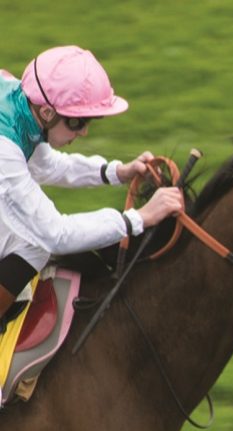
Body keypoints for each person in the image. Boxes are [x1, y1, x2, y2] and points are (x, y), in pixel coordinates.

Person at [1, 46, 184, 322]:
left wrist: (117, 172)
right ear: (48, 112)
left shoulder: (22, 99)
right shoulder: (5, 149)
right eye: (78, 122)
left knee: (32, 243)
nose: (84, 131)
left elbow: (47, 165)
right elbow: (57, 234)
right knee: (34, 242)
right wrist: (138, 219)